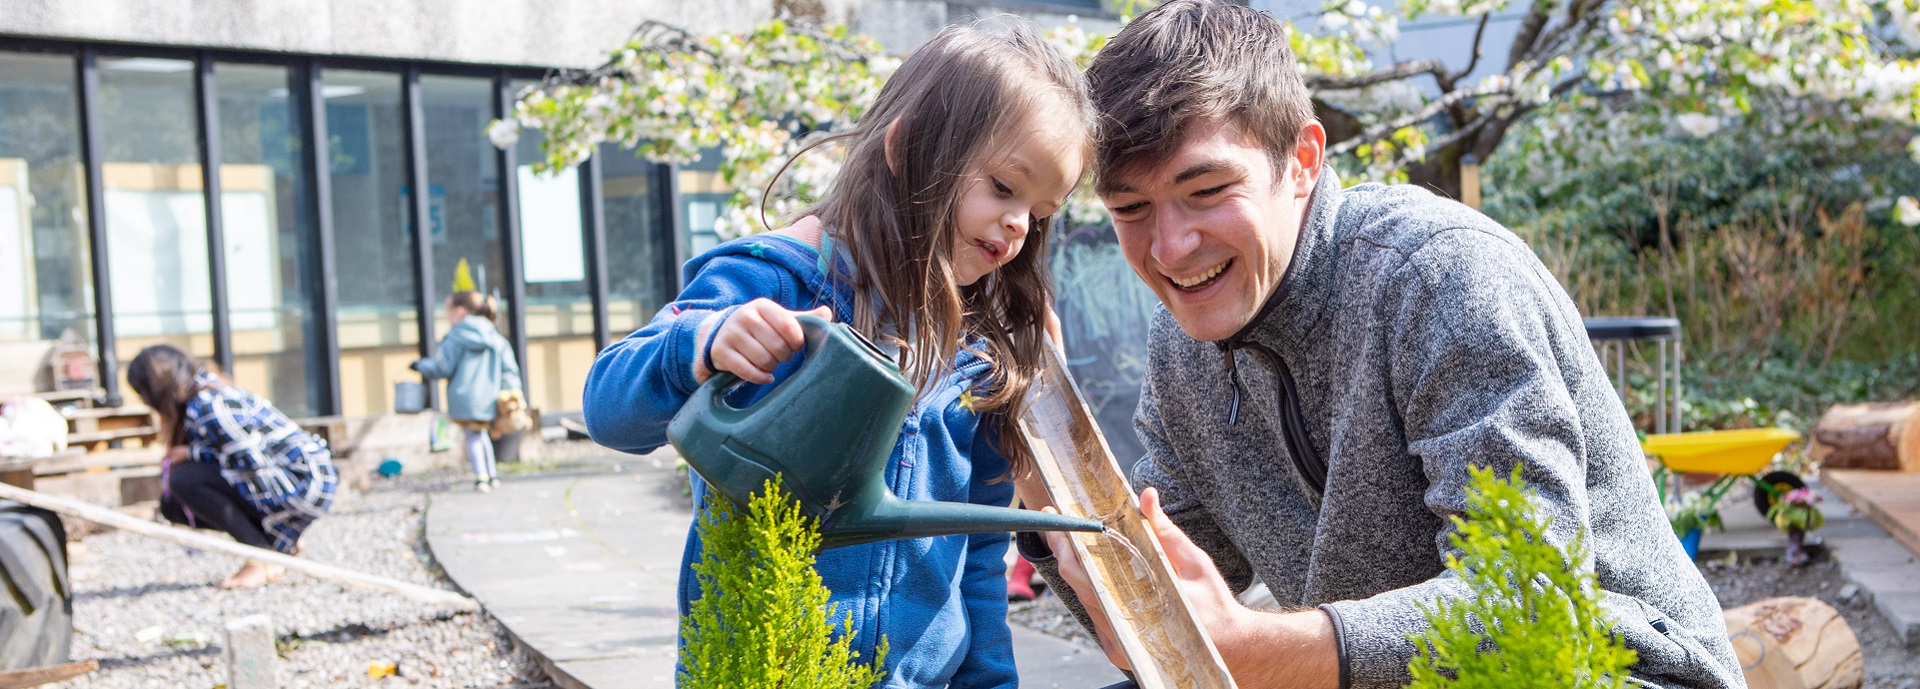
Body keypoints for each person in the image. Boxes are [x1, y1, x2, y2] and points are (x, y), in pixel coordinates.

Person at [1019, 2, 1746, 688]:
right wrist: (1034, 446)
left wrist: (1258, 647)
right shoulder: (1183, 350)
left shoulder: (1439, 280)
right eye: (1130, 209)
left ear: (1302, 160)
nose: (1171, 246)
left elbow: (1529, 596)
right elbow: (1151, 618)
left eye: (1206, 190)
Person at [581, 18, 1090, 688]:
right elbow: (608, 407)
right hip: (762, 668)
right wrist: (701, 346)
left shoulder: (980, 353)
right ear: (907, 150)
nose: (1020, 223)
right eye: (1003, 186)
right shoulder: (781, 284)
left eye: (1041, 210)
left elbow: (978, 549)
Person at [128, 345, 338, 589]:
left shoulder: (209, 403)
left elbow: (253, 462)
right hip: (296, 479)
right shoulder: (204, 393)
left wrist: (192, 453)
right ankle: (278, 545)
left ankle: (262, 557)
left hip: (304, 482)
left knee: (185, 480)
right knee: (172, 506)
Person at [412, 290, 523, 493]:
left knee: (473, 436)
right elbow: (509, 367)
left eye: (448, 312)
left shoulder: (455, 336)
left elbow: (443, 368)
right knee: (482, 435)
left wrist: (420, 366)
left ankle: (481, 477)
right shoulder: (493, 334)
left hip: (465, 396)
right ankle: (492, 475)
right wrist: (511, 391)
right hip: (490, 396)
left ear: (459, 311)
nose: (447, 318)